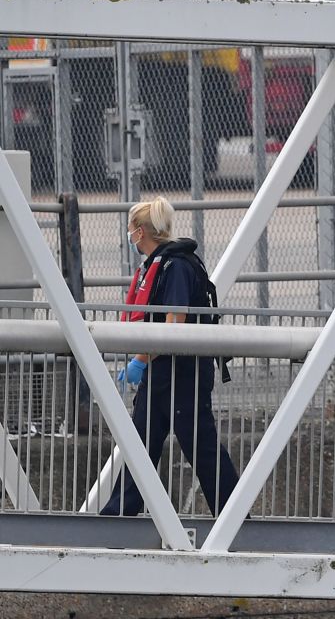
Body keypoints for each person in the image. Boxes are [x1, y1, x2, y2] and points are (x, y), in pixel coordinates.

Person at [100, 196, 239, 517]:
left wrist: (140, 361)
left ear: (141, 232)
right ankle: (119, 513)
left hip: (183, 375)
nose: (129, 235)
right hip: (164, 373)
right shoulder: (160, 264)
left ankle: (235, 514)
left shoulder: (174, 268)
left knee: (201, 448)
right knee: (141, 444)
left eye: (131, 229)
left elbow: (172, 325)